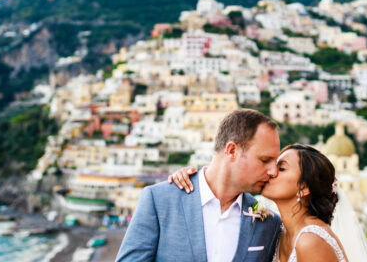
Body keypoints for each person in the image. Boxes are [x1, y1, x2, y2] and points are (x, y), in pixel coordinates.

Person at [115, 109, 282, 262]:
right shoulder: (159, 201)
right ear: (232, 151)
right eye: (265, 160)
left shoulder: (269, 222)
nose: (273, 171)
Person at [172, 144, 349, 262]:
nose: (271, 171)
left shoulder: (311, 241)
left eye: (281, 168)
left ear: (303, 188)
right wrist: (193, 181)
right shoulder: (277, 229)